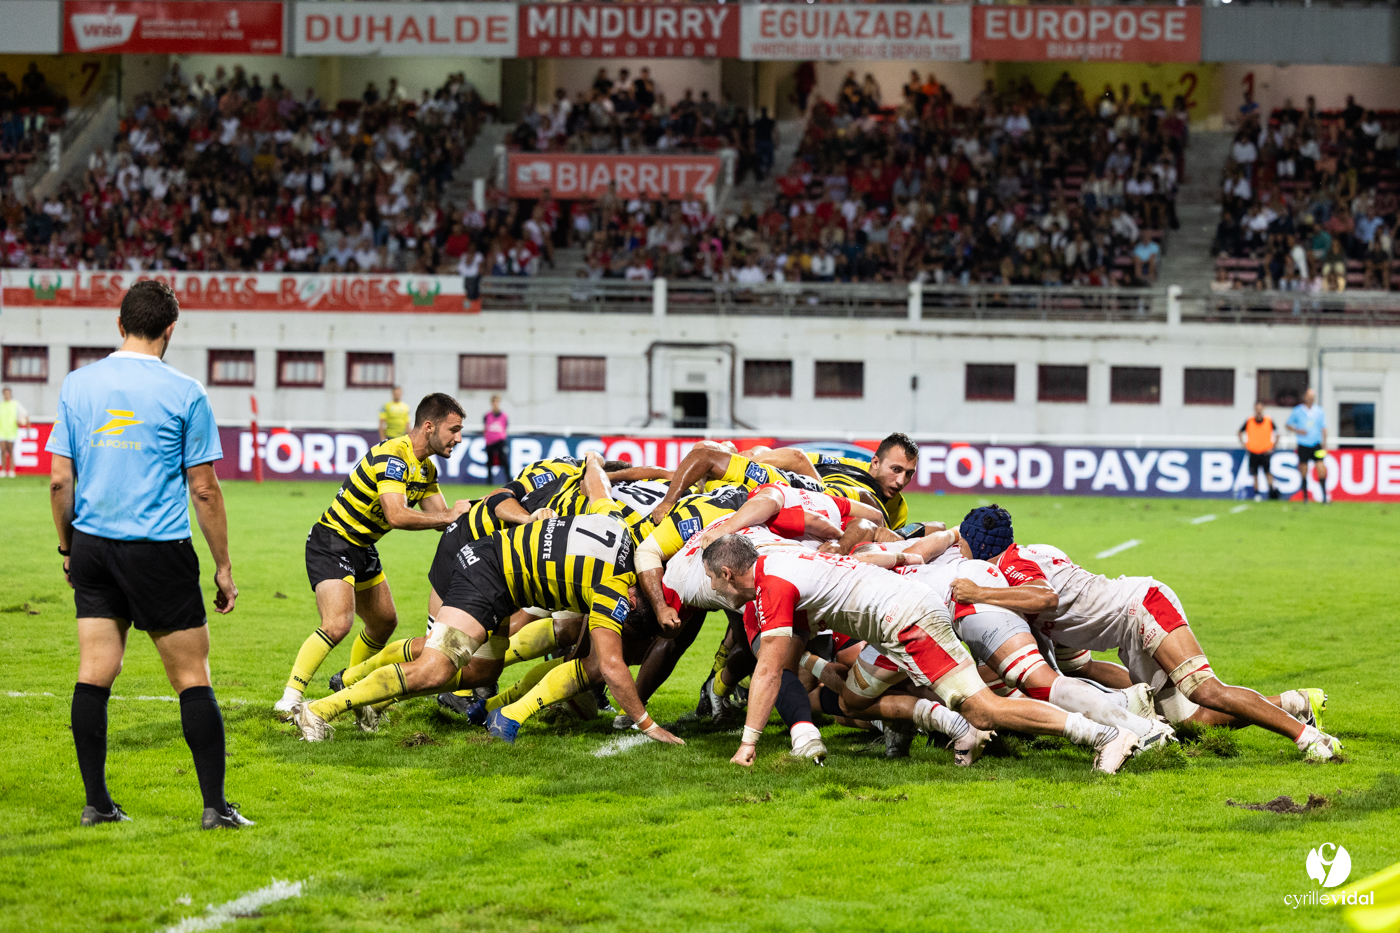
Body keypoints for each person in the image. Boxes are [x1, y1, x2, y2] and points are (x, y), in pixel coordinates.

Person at [45, 280, 250, 829]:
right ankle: (215, 808)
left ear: (120, 324)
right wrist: (223, 567)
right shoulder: (186, 392)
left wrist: (68, 547)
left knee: (94, 672)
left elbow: (60, 480)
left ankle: (97, 803)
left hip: (93, 547)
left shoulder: (78, 384)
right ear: (170, 330)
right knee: (192, 677)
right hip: (158, 550)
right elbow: (204, 489)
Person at [701, 535, 1145, 773]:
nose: (712, 589)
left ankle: (1105, 735)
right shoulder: (782, 563)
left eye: (711, 580)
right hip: (894, 618)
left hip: (905, 620)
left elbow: (768, 672)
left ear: (726, 573)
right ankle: (910, 734)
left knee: (984, 709)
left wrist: (748, 743)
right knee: (855, 696)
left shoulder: (773, 584)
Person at [946, 506, 1339, 761]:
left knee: (1206, 691)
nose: (959, 553)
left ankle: (1310, 740)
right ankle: (1296, 703)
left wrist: (978, 593)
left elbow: (1045, 597)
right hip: (1128, 626)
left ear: (976, 545)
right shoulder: (1033, 553)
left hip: (1143, 606)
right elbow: (1077, 667)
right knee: (1191, 722)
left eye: (961, 543)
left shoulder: (1010, 567)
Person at [275, 393, 472, 718]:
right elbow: (396, 515)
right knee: (338, 623)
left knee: (383, 623)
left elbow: (442, 519)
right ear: (429, 427)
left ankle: (349, 687)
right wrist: (450, 516)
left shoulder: (425, 469)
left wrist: (482, 510)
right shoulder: (393, 456)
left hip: (362, 546)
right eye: (454, 429)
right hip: (332, 539)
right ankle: (290, 697)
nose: (459, 438)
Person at [1285, 388, 1328, 503]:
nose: (1311, 399)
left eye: (1312, 397)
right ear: (1305, 397)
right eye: (1309, 396)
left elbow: (1324, 428)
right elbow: (1288, 424)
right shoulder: (1297, 411)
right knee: (1304, 469)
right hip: (1303, 444)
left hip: (1317, 444)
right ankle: (1305, 497)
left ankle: (1324, 497)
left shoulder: (1319, 411)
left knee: (1321, 467)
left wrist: (1325, 444)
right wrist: (1297, 430)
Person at [1238, 402, 1278, 500]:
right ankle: (1257, 494)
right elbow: (1239, 432)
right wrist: (1244, 444)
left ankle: (1271, 491)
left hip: (1265, 451)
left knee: (1267, 473)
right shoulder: (1249, 421)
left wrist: (1273, 447)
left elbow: (1277, 433)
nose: (1259, 411)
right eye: (1257, 408)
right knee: (1254, 474)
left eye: (1260, 408)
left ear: (1263, 409)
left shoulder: (1269, 420)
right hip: (1253, 451)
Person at [0, 386, 29, 477]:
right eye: (5, 393)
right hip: (2, 431)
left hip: (12, 432)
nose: (7, 395)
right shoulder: (1, 405)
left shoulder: (15, 404)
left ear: (11, 394)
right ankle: (3, 470)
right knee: (3, 451)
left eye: (8, 393)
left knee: (10, 451)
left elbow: (25, 414)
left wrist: (24, 425)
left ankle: (11, 470)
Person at [483, 395, 509, 485]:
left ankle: (508, 479)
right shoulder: (487, 416)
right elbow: (485, 428)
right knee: (489, 462)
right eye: (493, 402)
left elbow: (505, 427)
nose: (495, 404)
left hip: (500, 441)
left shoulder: (504, 416)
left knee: (504, 460)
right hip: (490, 441)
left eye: (497, 402)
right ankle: (489, 481)